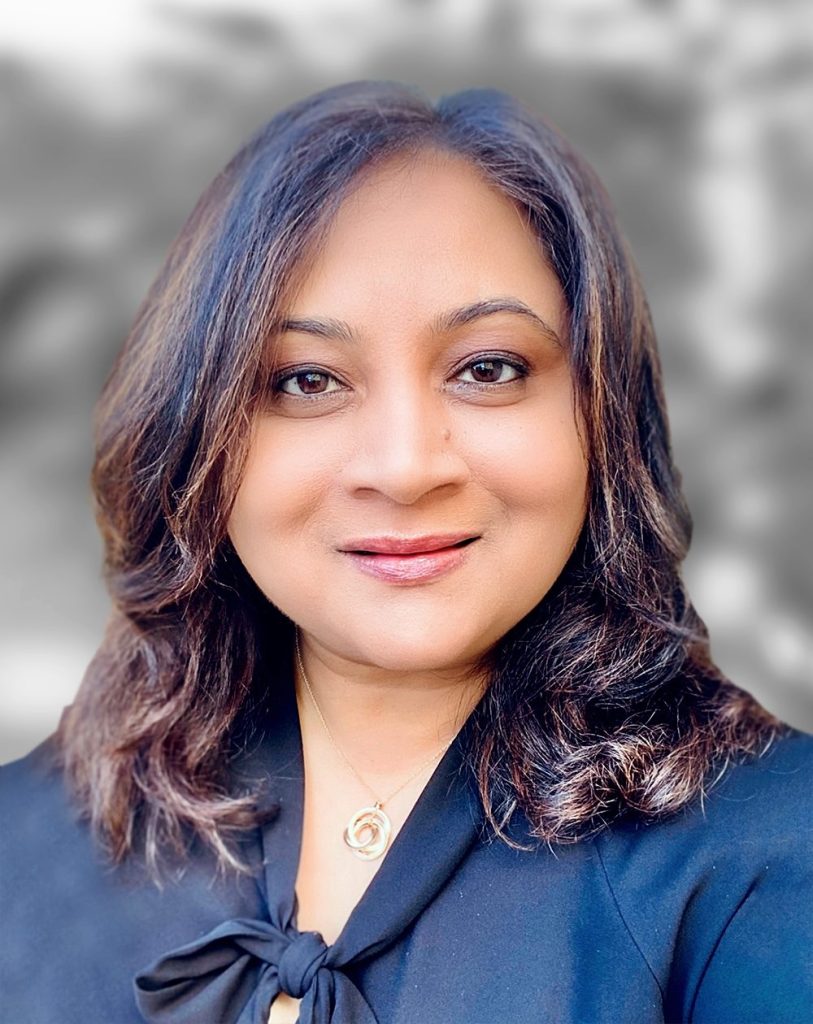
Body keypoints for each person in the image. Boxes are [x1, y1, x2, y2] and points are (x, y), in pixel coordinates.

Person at [1, 79, 811, 1024]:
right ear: (200, 437)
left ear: (601, 415)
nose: (402, 466)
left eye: (488, 368)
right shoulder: (26, 845)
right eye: (306, 380)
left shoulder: (766, 852)